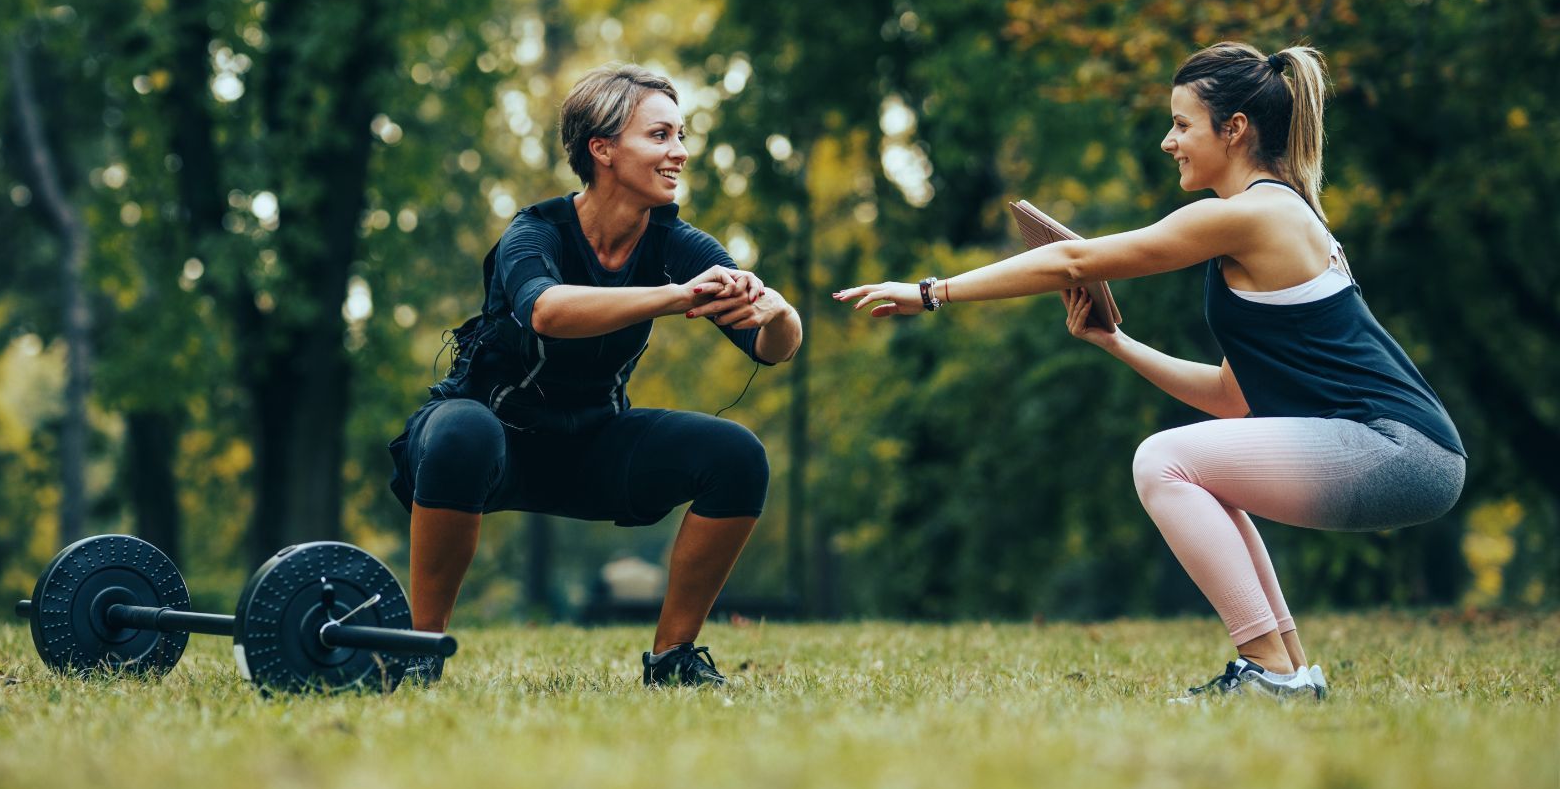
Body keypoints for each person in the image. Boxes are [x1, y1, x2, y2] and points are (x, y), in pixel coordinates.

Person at [835, 42, 1464, 701]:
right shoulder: (1268, 219)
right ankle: (1289, 676)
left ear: (1234, 129)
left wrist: (933, 292)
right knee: (1192, 467)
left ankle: (1269, 673)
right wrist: (1115, 342)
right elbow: (1230, 397)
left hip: (1399, 450)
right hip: (1402, 451)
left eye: (1182, 125)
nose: (1169, 142)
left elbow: (1076, 262)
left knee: (1161, 459)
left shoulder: (1252, 215)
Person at [388, 64, 802, 687]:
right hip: (490, 439)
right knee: (460, 432)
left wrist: (781, 314)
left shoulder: (677, 243)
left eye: (681, 135)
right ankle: (420, 650)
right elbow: (548, 311)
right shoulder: (535, 232)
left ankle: (673, 658)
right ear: (602, 149)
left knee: (738, 456)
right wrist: (670, 297)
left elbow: (770, 349)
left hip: (592, 445)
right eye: (660, 136)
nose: (680, 152)